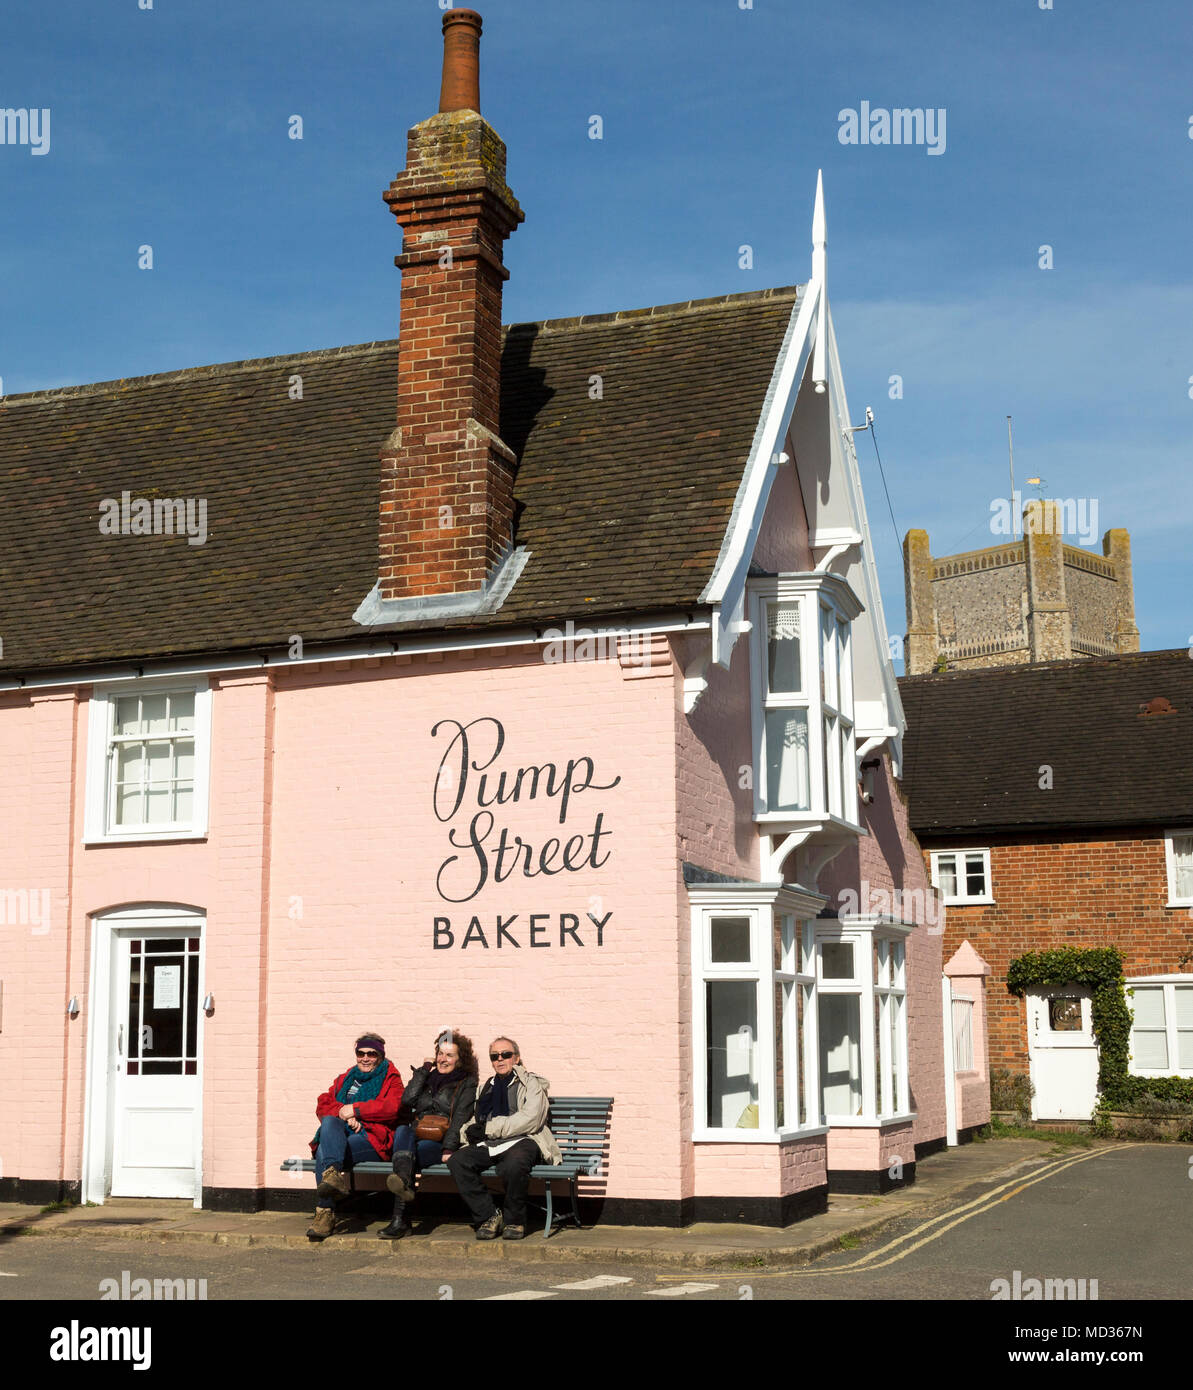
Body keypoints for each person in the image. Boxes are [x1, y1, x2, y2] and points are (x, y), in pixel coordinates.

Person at [446, 1036, 562, 1240]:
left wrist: (488, 1129)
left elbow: (531, 1119)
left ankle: (515, 1220)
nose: (500, 1059)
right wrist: (467, 1132)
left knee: (513, 1164)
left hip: (526, 1138)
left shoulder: (531, 1083)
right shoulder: (487, 1087)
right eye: (494, 1056)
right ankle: (489, 1215)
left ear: (516, 1058)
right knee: (458, 1161)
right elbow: (476, 1119)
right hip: (492, 1142)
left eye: (505, 1055)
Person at [379, 1029, 478, 1240]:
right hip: (415, 1134)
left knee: (408, 1158)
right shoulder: (427, 1077)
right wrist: (423, 1070)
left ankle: (400, 1221)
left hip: (440, 1140)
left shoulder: (466, 1083)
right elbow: (407, 1100)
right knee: (403, 1131)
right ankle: (404, 1187)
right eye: (440, 1054)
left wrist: (449, 1147)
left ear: (460, 1060)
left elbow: (460, 1117)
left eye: (449, 1055)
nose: (443, 1059)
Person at [307, 1031, 404, 1241]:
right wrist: (344, 1111)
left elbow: (393, 1107)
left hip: (372, 1139)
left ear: (380, 1056)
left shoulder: (390, 1077)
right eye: (361, 1053)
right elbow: (324, 1103)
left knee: (325, 1149)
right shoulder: (346, 1078)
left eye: (372, 1054)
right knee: (330, 1122)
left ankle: (324, 1214)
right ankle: (332, 1175)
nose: (366, 1058)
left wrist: (357, 1110)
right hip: (342, 1135)